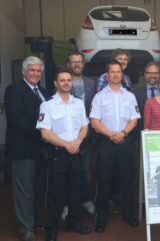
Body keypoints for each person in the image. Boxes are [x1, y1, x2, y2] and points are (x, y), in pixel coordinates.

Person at [36, 69, 91, 241]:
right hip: (57, 155)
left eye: (69, 80)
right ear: (55, 83)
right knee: (54, 193)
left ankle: (74, 222)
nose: (66, 83)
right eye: (62, 80)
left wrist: (78, 142)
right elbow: (45, 133)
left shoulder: (78, 103)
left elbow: (85, 126)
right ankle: (51, 228)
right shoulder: (47, 105)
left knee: (76, 190)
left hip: (76, 153)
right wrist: (67, 144)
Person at [90, 60, 140, 233]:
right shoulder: (99, 96)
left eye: (119, 72)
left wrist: (123, 134)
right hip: (106, 143)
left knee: (127, 179)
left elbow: (134, 118)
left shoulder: (130, 96)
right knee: (103, 181)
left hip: (125, 141)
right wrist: (111, 135)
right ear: (107, 74)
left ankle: (128, 214)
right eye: (113, 72)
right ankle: (101, 218)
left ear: (122, 74)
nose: (116, 74)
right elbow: (94, 121)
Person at [4, 56, 49, 241]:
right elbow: (17, 120)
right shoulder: (14, 90)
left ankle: (34, 219)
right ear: (23, 71)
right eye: (32, 70)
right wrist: (45, 134)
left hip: (42, 150)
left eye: (38, 71)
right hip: (23, 150)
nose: (36, 74)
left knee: (38, 188)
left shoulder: (44, 92)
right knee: (25, 191)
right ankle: (25, 228)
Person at [60, 52, 96, 220]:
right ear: (68, 64)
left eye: (79, 62)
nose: (76, 65)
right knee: (68, 172)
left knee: (86, 171)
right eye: (73, 62)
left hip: (86, 135)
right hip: (67, 138)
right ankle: (68, 204)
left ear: (83, 64)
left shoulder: (91, 83)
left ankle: (87, 200)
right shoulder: (63, 82)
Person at [133, 61, 160, 140]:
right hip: (142, 135)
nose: (152, 75)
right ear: (145, 75)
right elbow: (135, 118)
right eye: (149, 73)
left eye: (155, 73)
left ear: (159, 75)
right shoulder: (136, 93)